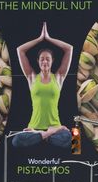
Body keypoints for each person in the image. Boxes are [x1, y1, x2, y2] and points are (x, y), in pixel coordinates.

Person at [12, 22, 74, 150]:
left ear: (52, 61)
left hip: (55, 128)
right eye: (42, 59)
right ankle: (46, 134)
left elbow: (69, 49)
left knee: (71, 139)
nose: (45, 61)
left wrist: (49, 38)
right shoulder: (32, 78)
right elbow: (20, 50)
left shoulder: (58, 78)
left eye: (47, 59)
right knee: (16, 141)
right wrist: (40, 39)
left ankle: (45, 134)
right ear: (38, 62)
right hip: (34, 128)